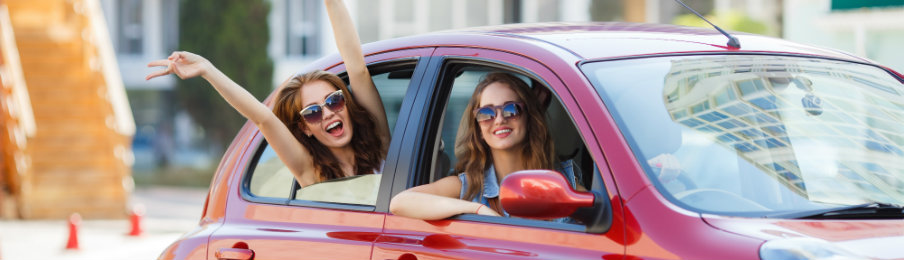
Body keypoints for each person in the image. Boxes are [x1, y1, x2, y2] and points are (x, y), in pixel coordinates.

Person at [145, 0, 388, 187]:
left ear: (345, 103)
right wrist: (208, 70)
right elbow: (263, 118)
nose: (327, 113)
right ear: (305, 128)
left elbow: (357, 70)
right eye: (313, 112)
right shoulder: (311, 171)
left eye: (333, 101)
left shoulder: (380, 142)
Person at [389, 72, 582, 220]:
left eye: (510, 109)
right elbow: (400, 202)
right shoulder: (467, 187)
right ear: (478, 128)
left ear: (529, 117)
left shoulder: (566, 183)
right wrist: (478, 210)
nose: (498, 120)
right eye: (486, 113)